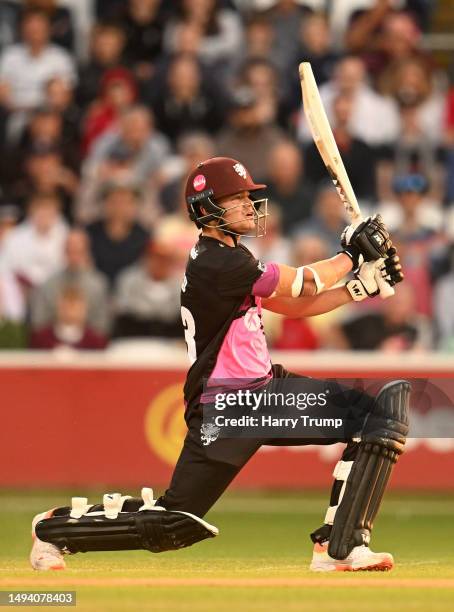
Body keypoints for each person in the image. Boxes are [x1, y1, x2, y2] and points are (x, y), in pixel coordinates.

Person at [30, 157, 408, 573]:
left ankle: (341, 548)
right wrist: (350, 254)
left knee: (375, 415)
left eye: (249, 197)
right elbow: (302, 282)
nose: (250, 205)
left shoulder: (232, 257)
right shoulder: (216, 261)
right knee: (175, 523)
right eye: (238, 198)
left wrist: (358, 288)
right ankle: (53, 529)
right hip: (228, 407)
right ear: (208, 207)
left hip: (264, 391)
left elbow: (293, 305)